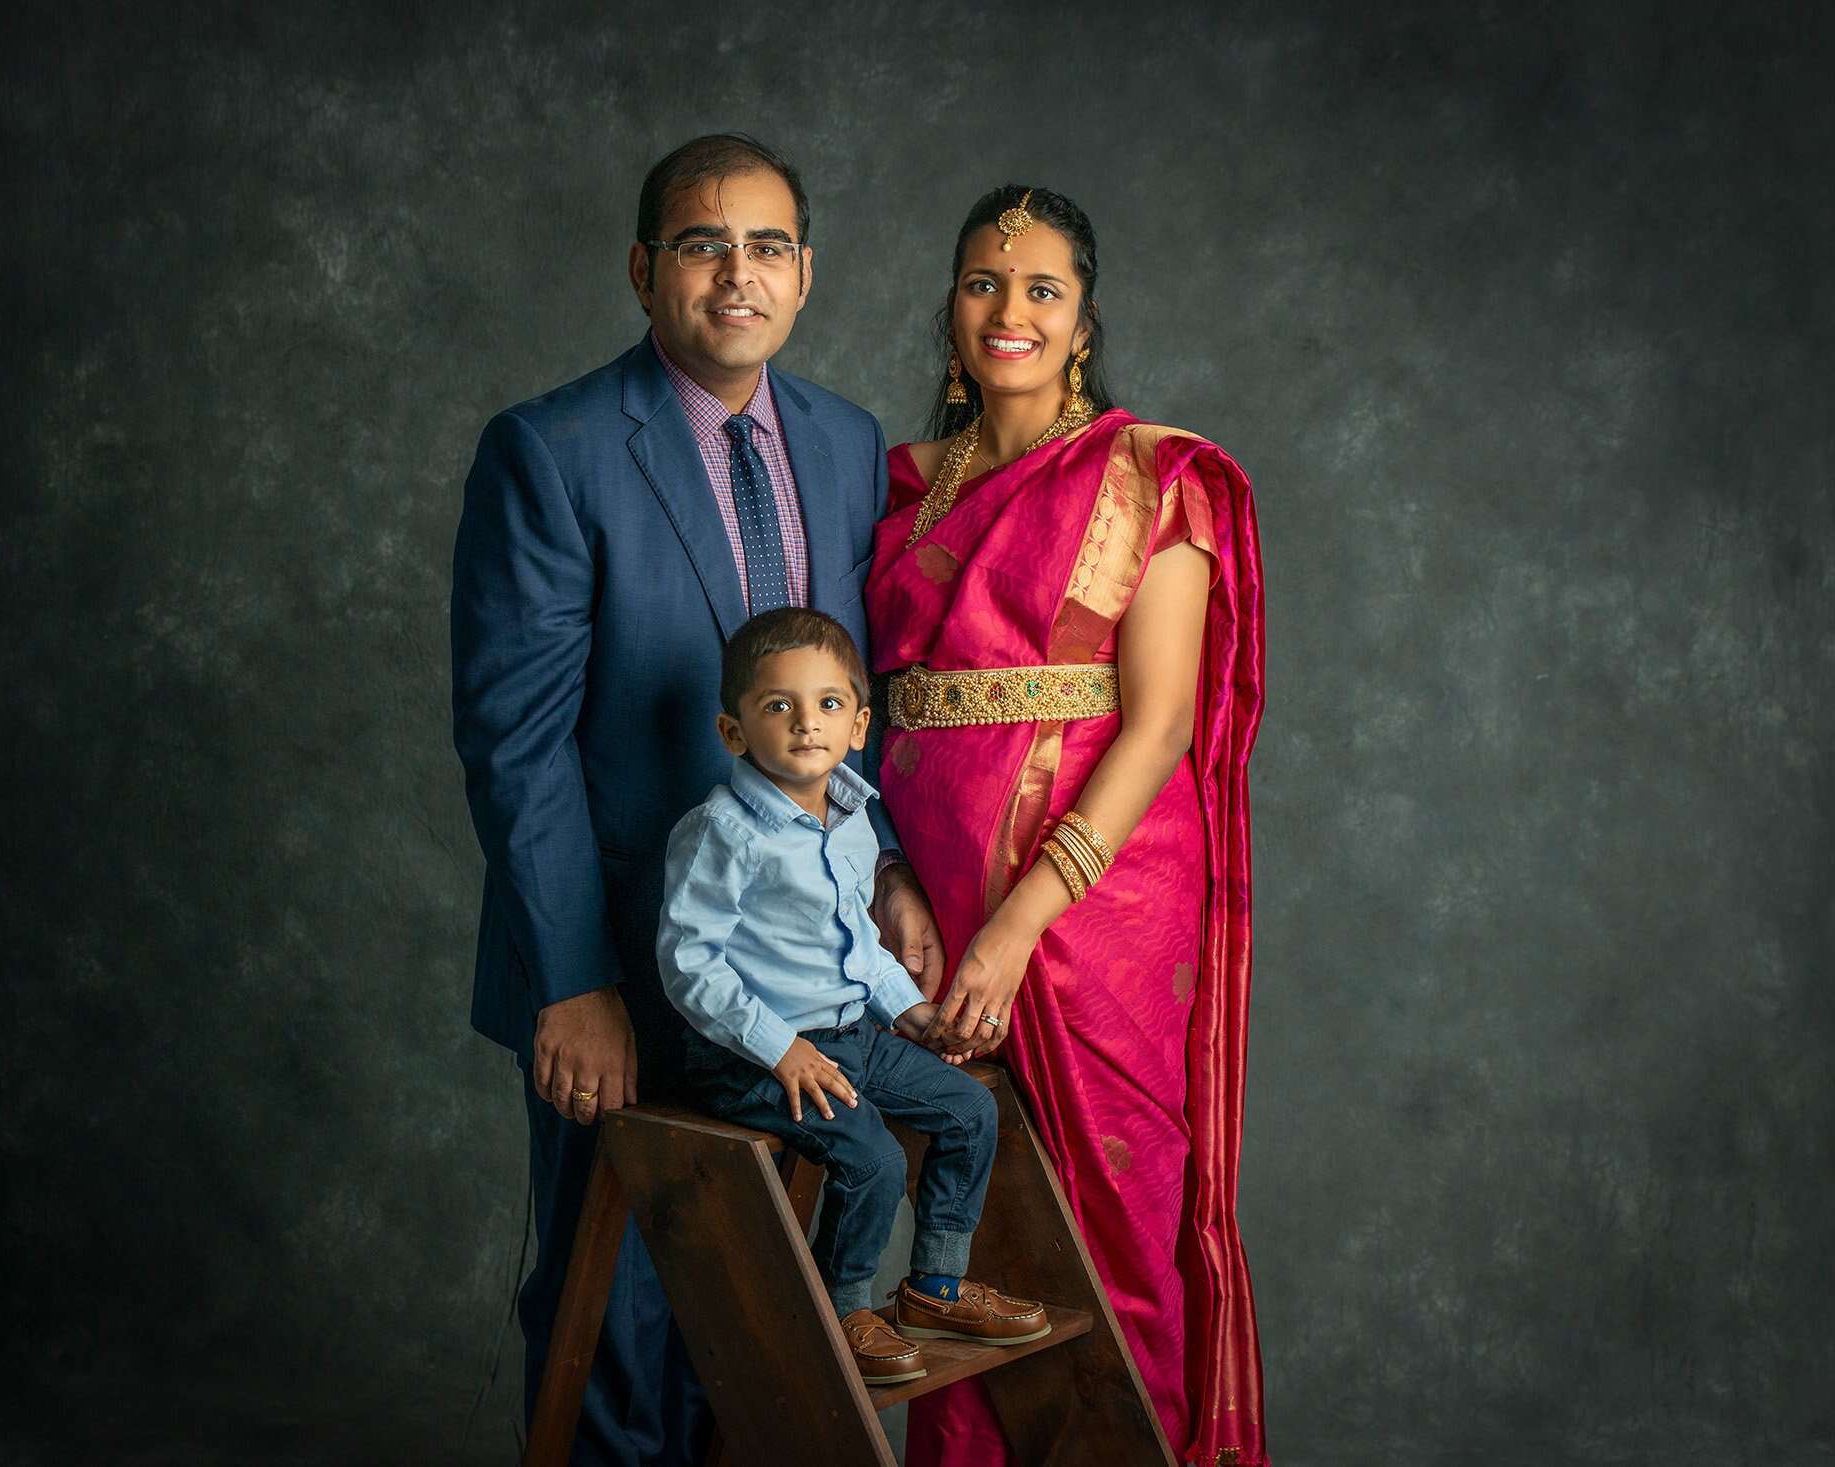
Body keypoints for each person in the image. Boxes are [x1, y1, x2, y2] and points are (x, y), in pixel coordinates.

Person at [450, 136, 944, 1466]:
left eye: (769, 245)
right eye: (703, 243)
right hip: (615, 962)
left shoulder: (844, 441)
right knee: (618, 1314)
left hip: (788, 968)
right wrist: (571, 978)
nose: (740, 273)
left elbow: (843, 695)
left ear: (806, 274)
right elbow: (518, 739)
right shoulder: (549, 451)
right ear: (642, 269)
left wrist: (883, 866)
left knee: (767, 1315)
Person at [866, 186, 1270, 1466]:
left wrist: (1013, 929)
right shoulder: (902, 487)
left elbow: (1154, 726)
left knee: (1111, 1230)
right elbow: (863, 712)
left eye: (1041, 288)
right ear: (950, 310)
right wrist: (895, 883)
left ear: (1084, 322)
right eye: (984, 282)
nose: (1010, 310)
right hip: (923, 902)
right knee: (964, 1235)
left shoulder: (1154, 477)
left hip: (1093, 914)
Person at [657, 608, 1050, 1384]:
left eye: (829, 704)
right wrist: (780, 1048)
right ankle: (839, 1311)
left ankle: (933, 1284)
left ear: (860, 723)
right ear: (734, 733)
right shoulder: (723, 832)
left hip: (851, 1037)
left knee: (971, 1109)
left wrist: (913, 1013)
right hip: (754, 1056)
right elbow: (689, 964)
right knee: (869, 1158)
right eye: (779, 706)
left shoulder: (854, 819)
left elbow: (859, 946)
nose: (807, 723)